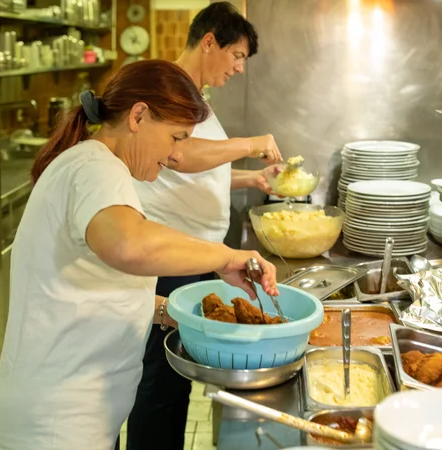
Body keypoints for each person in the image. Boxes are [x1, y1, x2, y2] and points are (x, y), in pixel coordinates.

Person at [0, 59, 279, 450]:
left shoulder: (100, 168)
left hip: (76, 422)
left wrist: (171, 313)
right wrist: (224, 257)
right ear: (139, 116)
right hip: (53, 428)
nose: (177, 156)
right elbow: (129, 245)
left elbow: (88, 286)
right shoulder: (93, 167)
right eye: (176, 137)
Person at [127, 4, 273, 450]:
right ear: (209, 41)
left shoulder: (196, 97)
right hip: (168, 255)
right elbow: (182, 157)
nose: (238, 68)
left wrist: (251, 178)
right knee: (160, 380)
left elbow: (198, 169)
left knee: (173, 380)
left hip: (192, 254)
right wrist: (250, 145)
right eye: (237, 55)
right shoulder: (171, 90)